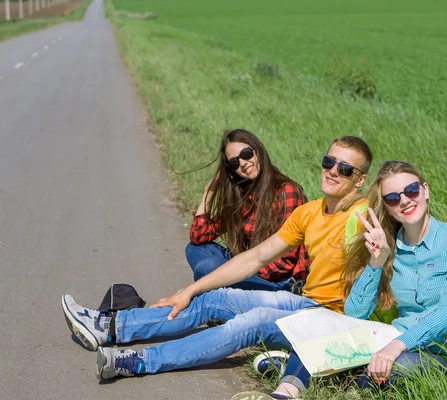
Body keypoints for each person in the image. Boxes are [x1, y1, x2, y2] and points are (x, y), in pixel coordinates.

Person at [61, 136, 373, 382]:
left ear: (360, 181)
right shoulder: (311, 212)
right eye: (329, 161)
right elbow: (256, 257)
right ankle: (109, 326)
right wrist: (188, 291)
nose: (333, 170)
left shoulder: (363, 218)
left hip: (334, 320)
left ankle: (138, 361)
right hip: (307, 304)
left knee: (252, 323)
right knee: (212, 299)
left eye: (345, 169)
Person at [235, 161, 447, 399]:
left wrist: (396, 346)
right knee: (325, 323)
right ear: (388, 207)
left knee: (394, 367)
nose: (404, 200)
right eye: (392, 198)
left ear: (425, 189)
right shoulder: (388, 244)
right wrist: (376, 262)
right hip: (393, 339)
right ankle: (285, 392)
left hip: (443, 353)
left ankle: (318, 370)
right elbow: (355, 312)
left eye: (411, 190)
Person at [185, 128, 310, 293]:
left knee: (209, 268)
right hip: (250, 268)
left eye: (246, 154)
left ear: (257, 150)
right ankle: (222, 295)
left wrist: (238, 269)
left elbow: (284, 261)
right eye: (234, 163)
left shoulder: (286, 191)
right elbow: (198, 237)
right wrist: (209, 193)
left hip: (281, 283)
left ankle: (216, 295)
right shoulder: (244, 195)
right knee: (194, 249)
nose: (243, 163)